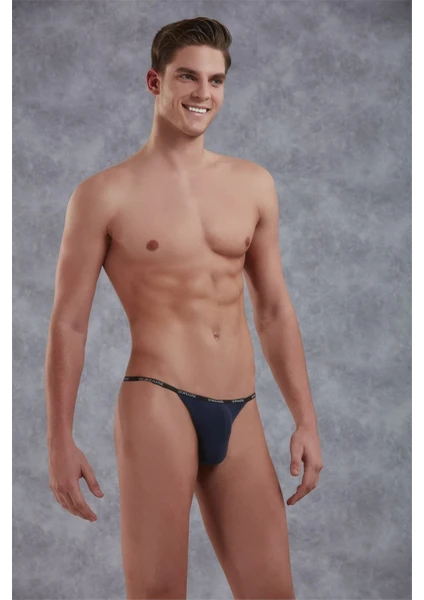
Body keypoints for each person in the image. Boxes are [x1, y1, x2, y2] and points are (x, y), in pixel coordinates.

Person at [45, 16, 323, 600]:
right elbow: (69, 322)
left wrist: (306, 419)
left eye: (216, 80)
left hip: (241, 404)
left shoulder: (253, 184)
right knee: (158, 594)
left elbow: (273, 309)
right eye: (188, 77)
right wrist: (59, 440)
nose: (203, 93)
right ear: (156, 81)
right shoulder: (103, 195)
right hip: (158, 398)